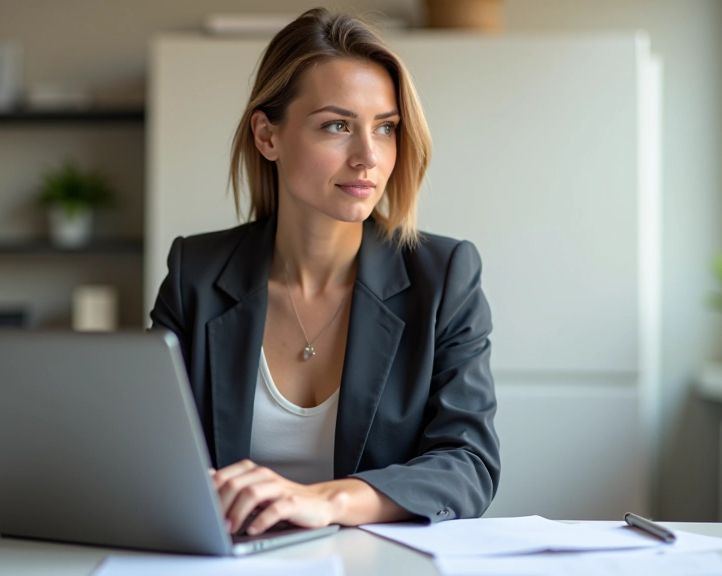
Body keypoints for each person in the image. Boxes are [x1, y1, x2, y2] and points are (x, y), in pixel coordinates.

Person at [150, 7, 500, 537]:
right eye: (337, 126)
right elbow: (151, 452)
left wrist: (324, 501)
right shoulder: (193, 275)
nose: (368, 157)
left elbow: (468, 464)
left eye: (385, 129)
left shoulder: (444, 276)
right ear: (268, 137)